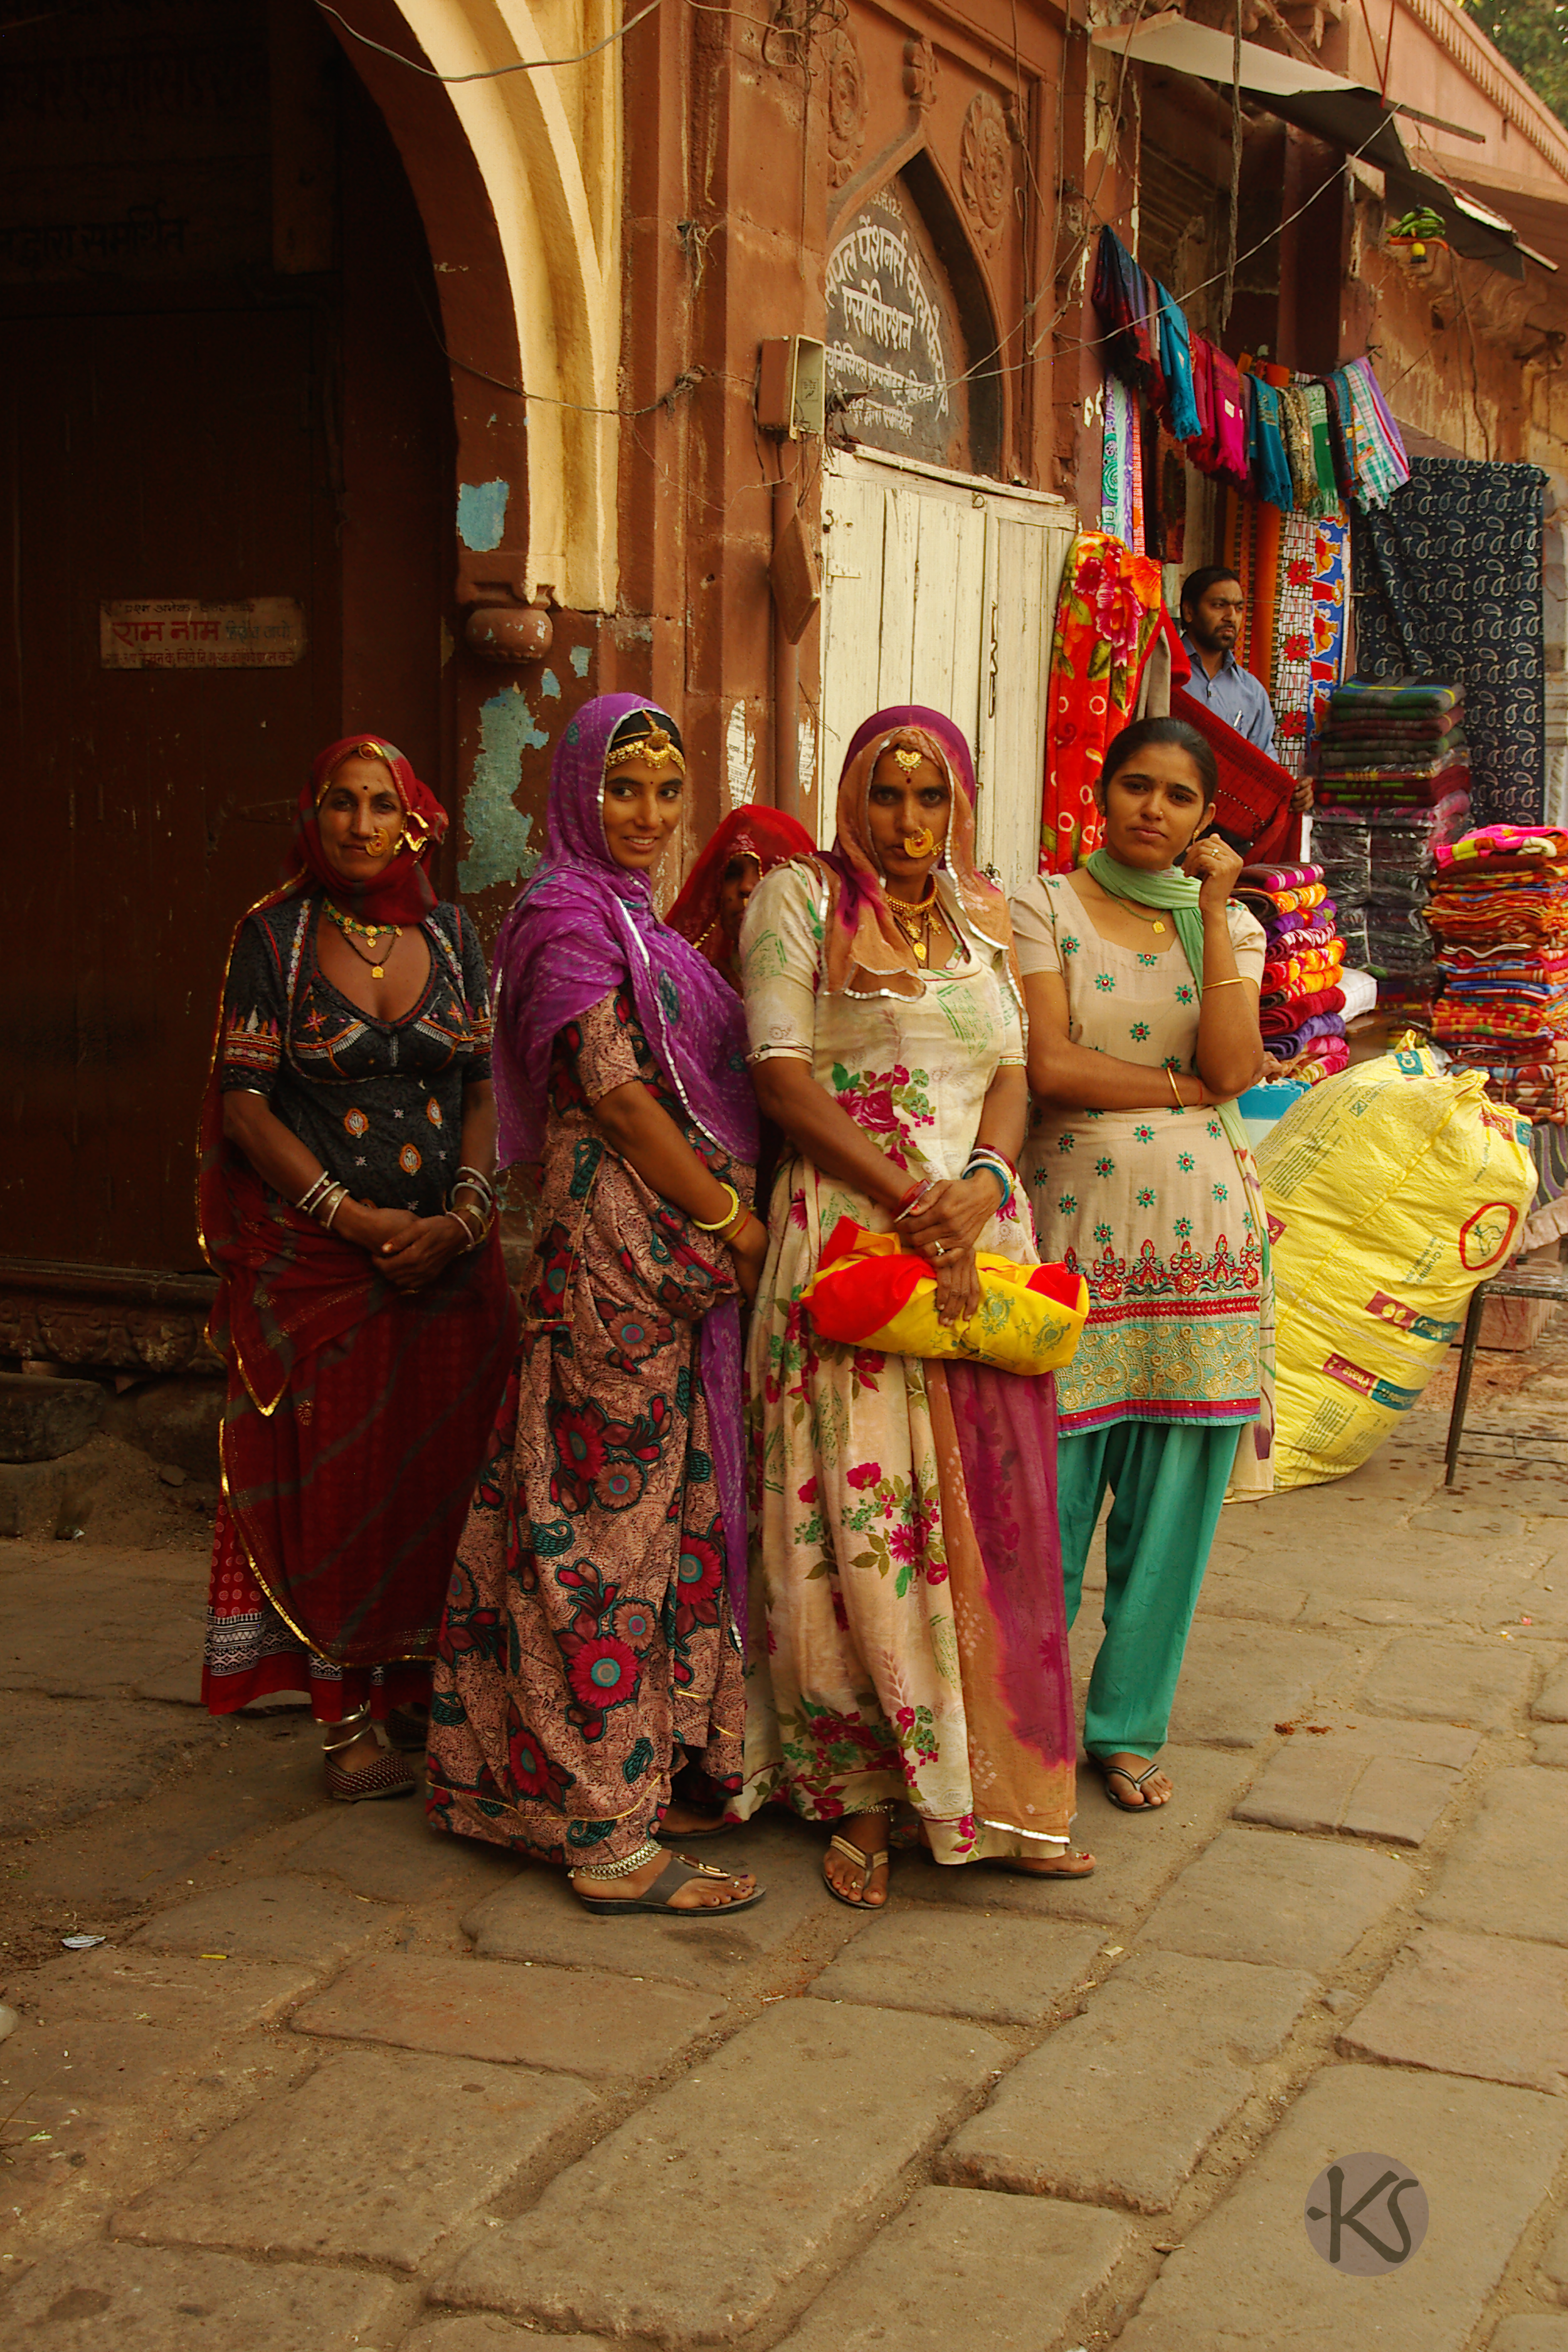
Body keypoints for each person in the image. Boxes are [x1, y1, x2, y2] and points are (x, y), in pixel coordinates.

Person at [735, 704, 1092, 1906]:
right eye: (884, 796)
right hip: (849, 1238)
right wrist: (909, 1194)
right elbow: (781, 1079)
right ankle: (866, 1794)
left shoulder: (986, 913)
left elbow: (1010, 1070)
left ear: (959, 806)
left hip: (978, 1242)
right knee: (857, 1528)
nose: (904, 823)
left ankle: (1004, 1789)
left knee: (994, 1518)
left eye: (928, 797)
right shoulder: (797, 901)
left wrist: (983, 1187)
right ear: (850, 799)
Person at [425, 696, 768, 1918]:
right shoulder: (565, 918)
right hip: (614, 1259)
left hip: (652, 1260)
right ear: (577, 792)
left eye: (665, 791)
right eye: (623, 788)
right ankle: (604, 1837)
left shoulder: (633, 923)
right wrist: (730, 1220)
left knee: (620, 1514)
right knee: (599, 1538)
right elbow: (622, 1100)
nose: (645, 815)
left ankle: (581, 1784)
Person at [200, 735, 516, 1799]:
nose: (360, 825)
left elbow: (481, 1088)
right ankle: (343, 1725)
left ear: (411, 818)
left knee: (445, 1472)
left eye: (382, 805)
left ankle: (423, 1689)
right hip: (325, 1265)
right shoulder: (274, 939)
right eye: (341, 803)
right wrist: (352, 1217)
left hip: (447, 1260)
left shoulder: (453, 934)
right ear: (315, 811)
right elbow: (244, 1108)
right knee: (340, 1480)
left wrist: (465, 1215)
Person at [1011, 716, 1273, 1816]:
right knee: (1046, 1503)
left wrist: (1211, 917)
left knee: (1172, 1521)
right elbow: (1051, 1064)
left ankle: (1123, 1730)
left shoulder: (1234, 929)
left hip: (1206, 1253)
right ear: (1101, 794)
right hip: (1073, 1241)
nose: (1152, 810)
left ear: (1207, 821)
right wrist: (1176, 1093)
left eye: (1177, 796)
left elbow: (1235, 1063)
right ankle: (1022, 1724)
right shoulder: (1042, 904)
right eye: (1135, 787)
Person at [1179, 566, 1313, 826]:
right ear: (1189, 611)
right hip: (1165, 817)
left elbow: (1265, 772)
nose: (1231, 617)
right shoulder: (1164, 672)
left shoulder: (1251, 692)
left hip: (1226, 830)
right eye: (1219, 605)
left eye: (1239, 608)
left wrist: (1294, 794)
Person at [667, 806, 815, 992]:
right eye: (733, 873)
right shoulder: (692, 989)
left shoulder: (829, 993)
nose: (746, 887)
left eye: (770, 869)